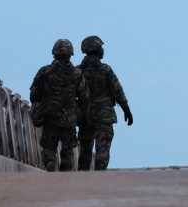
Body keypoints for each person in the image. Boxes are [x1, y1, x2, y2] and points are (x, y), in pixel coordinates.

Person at [29, 39, 89, 172]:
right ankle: (65, 176)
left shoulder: (45, 71)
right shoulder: (77, 73)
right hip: (70, 119)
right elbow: (84, 97)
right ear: (71, 54)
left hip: (50, 116)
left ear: (54, 53)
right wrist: (83, 115)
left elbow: (34, 94)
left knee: (49, 146)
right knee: (68, 149)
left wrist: (41, 107)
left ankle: (50, 161)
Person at [77, 36, 133, 171]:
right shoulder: (105, 69)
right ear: (96, 50)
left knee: (85, 148)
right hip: (104, 115)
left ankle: (81, 177)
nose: (103, 50)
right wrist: (126, 110)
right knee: (103, 146)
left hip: (84, 115)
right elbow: (118, 91)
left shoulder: (77, 71)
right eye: (101, 47)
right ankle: (99, 175)